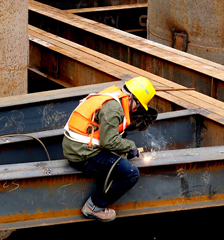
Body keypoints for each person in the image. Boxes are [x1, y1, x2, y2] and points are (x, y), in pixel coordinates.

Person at [63, 76, 156, 222]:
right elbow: (109, 142)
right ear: (133, 98)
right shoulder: (114, 109)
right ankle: (94, 207)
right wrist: (130, 146)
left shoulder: (113, 94)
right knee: (131, 173)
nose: (137, 109)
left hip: (76, 147)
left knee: (117, 158)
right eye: (138, 105)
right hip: (82, 156)